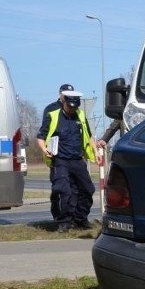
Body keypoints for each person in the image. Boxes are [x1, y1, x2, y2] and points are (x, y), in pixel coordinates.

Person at [36, 85, 97, 233]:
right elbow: (40, 137)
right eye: (70, 107)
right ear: (63, 102)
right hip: (61, 160)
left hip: (77, 160)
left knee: (88, 189)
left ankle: (80, 219)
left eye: (75, 107)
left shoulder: (80, 115)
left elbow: (88, 137)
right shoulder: (53, 114)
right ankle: (64, 223)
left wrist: (97, 152)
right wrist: (45, 149)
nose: (72, 110)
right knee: (64, 192)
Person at [42, 84, 78, 220]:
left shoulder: (74, 108)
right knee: (58, 187)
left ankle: (71, 215)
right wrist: (47, 150)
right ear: (60, 94)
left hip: (72, 156)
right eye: (65, 93)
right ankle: (57, 214)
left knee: (73, 188)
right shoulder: (51, 109)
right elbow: (45, 132)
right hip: (56, 155)